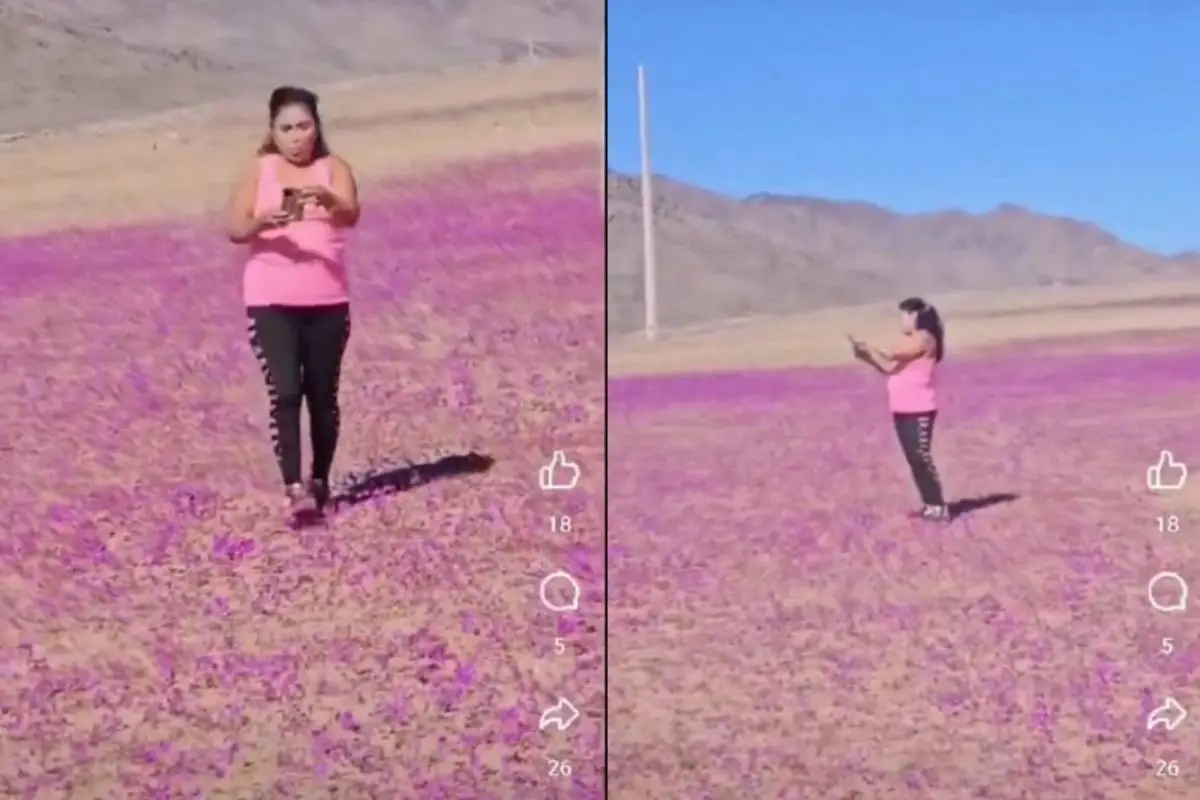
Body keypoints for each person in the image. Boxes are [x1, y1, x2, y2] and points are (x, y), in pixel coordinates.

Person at [225, 85, 362, 524]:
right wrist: (264, 220)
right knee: (285, 393)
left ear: (317, 126)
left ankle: (320, 480)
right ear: (273, 131)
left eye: (304, 125)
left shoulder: (334, 168)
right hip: (270, 300)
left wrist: (329, 200)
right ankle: (294, 489)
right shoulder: (260, 170)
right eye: (286, 128)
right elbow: (235, 227)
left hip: (327, 300)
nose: (296, 136)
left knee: (322, 396)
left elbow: (351, 214)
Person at [849, 297, 950, 521]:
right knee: (913, 459)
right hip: (901, 408)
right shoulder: (911, 341)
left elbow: (892, 352)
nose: (902, 320)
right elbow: (889, 368)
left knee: (921, 456)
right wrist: (866, 357)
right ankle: (930, 505)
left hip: (920, 408)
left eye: (905, 314)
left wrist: (868, 341)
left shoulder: (925, 339)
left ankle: (939, 505)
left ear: (916, 316)